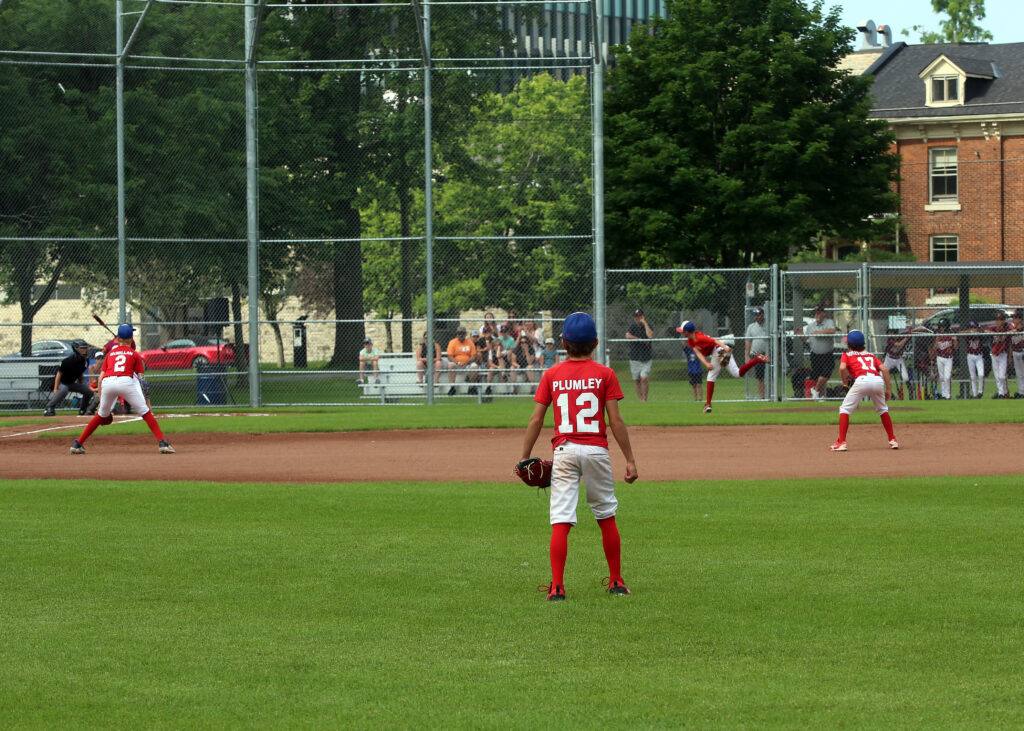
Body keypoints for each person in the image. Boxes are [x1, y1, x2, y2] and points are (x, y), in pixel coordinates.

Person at [519, 311, 638, 601]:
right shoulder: (605, 374)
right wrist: (630, 459)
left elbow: (536, 421)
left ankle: (557, 587)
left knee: (561, 519)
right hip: (597, 450)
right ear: (595, 343)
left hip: (565, 450)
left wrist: (524, 457)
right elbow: (616, 421)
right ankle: (616, 582)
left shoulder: (552, 374)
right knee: (606, 516)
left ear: (562, 342)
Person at [70, 324, 174, 455]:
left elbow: (101, 379)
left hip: (108, 382)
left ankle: (77, 443)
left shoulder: (110, 354)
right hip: (126, 382)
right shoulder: (134, 354)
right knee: (145, 413)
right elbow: (142, 380)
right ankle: (163, 443)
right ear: (131, 339)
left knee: (100, 416)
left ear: (118, 339)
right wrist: (147, 401)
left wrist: (101, 402)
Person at [676, 320, 770, 414]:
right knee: (737, 374)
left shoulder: (700, 338)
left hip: (718, 350)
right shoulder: (690, 341)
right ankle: (757, 359)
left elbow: (715, 341)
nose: (681, 332)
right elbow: (697, 352)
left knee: (711, 377)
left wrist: (725, 348)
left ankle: (708, 404)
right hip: (718, 351)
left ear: (687, 332)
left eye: (682, 331)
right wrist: (706, 363)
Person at [829, 329, 898, 452]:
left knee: (844, 409)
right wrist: (888, 389)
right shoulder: (870, 355)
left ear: (849, 344)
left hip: (861, 380)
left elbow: (842, 368)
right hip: (877, 380)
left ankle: (842, 442)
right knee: (882, 409)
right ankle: (893, 439)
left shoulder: (846, 355)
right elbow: (885, 370)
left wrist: (845, 383)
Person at [805, 305, 837, 400]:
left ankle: (815, 389)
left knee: (826, 373)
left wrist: (819, 333)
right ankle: (820, 396)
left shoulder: (829, 322)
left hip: (827, 354)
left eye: (819, 312)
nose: (817, 314)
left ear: (823, 313)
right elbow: (805, 338)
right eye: (815, 313)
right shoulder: (810, 326)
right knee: (818, 376)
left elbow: (832, 331)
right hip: (815, 355)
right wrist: (800, 335)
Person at [625, 308, 654, 402]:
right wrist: (639, 339)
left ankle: (645, 399)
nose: (638, 318)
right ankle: (640, 399)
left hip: (646, 358)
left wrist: (645, 323)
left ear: (643, 316)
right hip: (635, 358)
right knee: (637, 380)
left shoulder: (649, 325)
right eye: (636, 316)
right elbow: (628, 336)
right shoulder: (632, 326)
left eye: (640, 316)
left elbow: (650, 336)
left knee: (644, 378)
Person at [744, 306, 769, 399]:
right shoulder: (751, 327)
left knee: (770, 375)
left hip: (767, 354)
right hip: (756, 354)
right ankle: (762, 396)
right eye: (755, 315)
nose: (756, 317)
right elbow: (748, 341)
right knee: (760, 376)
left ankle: (771, 395)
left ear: (763, 314)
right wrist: (747, 356)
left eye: (758, 315)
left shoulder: (769, 325)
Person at [929, 318, 957, 400]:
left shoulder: (951, 335)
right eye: (940, 327)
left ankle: (948, 395)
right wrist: (937, 341)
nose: (941, 328)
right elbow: (934, 349)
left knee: (947, 377)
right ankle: (943, 394)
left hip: (949, 358)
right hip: (940, 357)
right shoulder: (938, 335)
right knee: (941, 377)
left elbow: (956, 348)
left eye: (943, 327)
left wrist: (955, 340)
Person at [446, 326, 479, 395]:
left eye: (462, 333)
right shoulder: (452, 342)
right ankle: (452, 387)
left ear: (465, 334)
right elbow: (450, 357)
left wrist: (466, 362)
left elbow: (473, 356)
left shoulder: (470, 342)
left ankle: (471, 387)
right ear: (456, 334)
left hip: (468, 363)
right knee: (450, 366)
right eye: (459, 333)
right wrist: (458, 362)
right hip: (456, 363)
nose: (461, 335)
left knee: (475, 367)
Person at [882, 328, 911, 398]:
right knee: (880, 375)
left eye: (891, 332)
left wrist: (910, 332)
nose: (890, 334)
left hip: (899, 359)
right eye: (889, 332)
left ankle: (911, 392)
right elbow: (898, 344)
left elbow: (907, 333)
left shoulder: (901, 336)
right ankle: (880, 393)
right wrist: (907, 337)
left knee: (905, 377)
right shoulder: (890, 339)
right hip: (889, 359)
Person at [989, 311, 1012, 399]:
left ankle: (1005, 392)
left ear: (1004, 321)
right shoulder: (994, 329)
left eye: (1001, 319)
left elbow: (1013, 331)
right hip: (994, 354)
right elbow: (985, 330)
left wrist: (1002, 333)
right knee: (997, 375)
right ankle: (1001, 393)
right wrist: (995, 333)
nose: (999, 321)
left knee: (1002, 376)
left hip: (1003, 354)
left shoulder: (1006, 329)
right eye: (997, 319)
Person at [963, 321, 987, 399]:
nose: (973, 329)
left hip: (979, 356)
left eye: (974, 327)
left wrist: (977, 330)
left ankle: (980, 392)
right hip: (970, 356)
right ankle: (974, 394)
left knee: (981, 374)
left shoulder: (980, 334)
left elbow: (984, 331)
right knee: (972, 376)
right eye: (971, 328)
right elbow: (960, 332)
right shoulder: (968, 334)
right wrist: (969, 331)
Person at [1011, 309, 1024, 398]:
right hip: (1015, 352)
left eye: (1016, 318)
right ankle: (1021, 392)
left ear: (1020, 319)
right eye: (1013, 318)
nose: (1014, 319)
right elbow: (1010, 345)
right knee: (1019, 374)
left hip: (1022, 352)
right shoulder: (1012, 330)